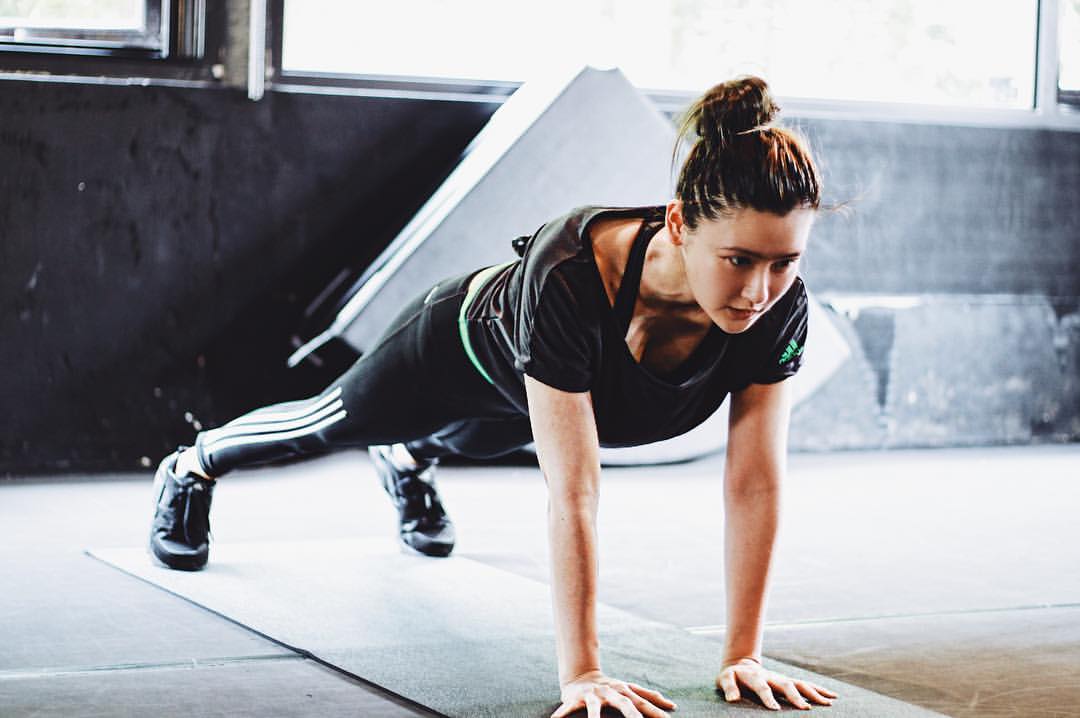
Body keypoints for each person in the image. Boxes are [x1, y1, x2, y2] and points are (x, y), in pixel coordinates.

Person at [149, 75, 840, 715]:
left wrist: (743, 652)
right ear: (682, 224)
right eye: (738, 261)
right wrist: (584, 672)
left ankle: (409, 459)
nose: (758, 291)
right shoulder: (572, 273)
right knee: (325, 424)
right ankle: (193, 465)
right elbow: (574, 491)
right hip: (450, 353)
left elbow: (753, 480)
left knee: (483, 434)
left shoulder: (777, 307)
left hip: (543, 398)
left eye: (785, 262)